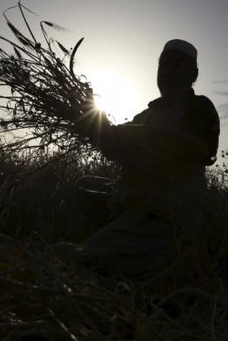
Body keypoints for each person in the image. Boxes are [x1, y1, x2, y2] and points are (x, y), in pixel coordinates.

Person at [69, 39, 220, 280]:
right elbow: (113, 148)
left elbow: (202, 150)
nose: (169, 71)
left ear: (194, 74)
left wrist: (145, 134)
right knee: (84, 187)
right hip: (132, 200)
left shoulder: (199, 106)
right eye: (164, 65)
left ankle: (167, 257)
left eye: (178, 65)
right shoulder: (145, 114)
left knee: (77, 261)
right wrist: (94, 123)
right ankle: (116, 241)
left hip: (165, 212)